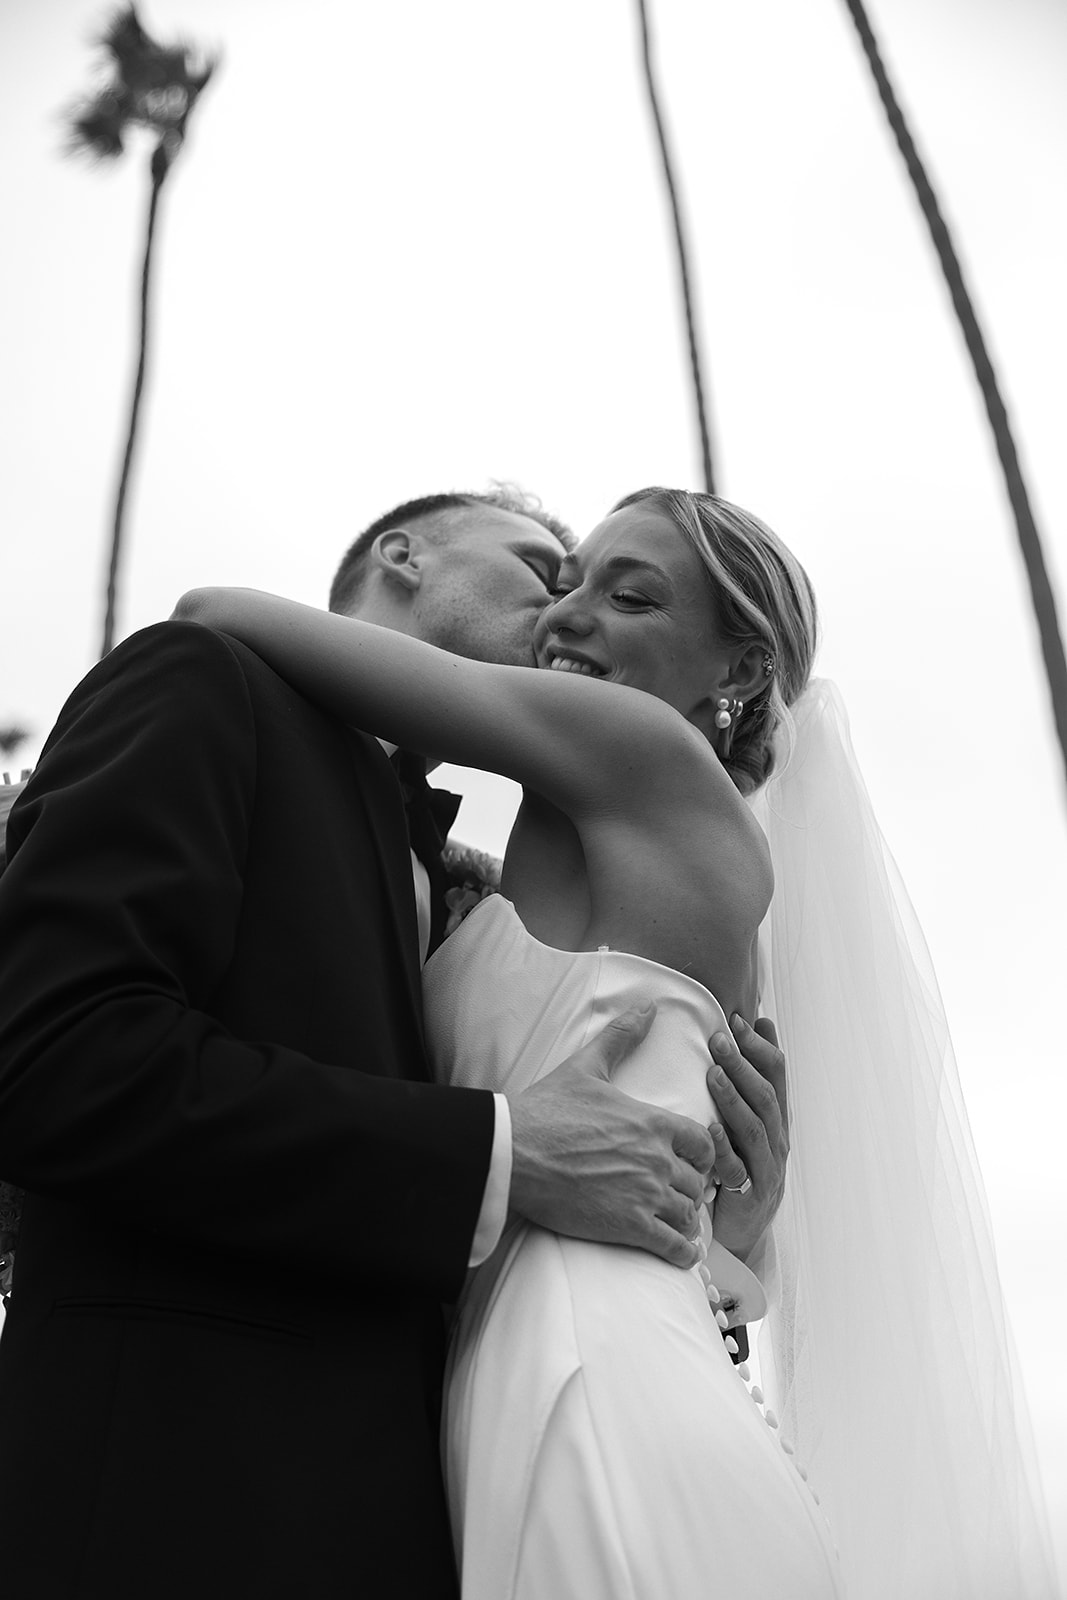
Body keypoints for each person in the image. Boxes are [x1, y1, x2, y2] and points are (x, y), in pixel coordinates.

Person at [178, 485, 1058, 1600]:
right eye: (566, 579)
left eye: (624, 594)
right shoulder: (597, 848)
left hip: (582, 1368)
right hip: (576, 1352)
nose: (568, 614)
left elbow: (216, 608)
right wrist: (732, 1237)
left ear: (736, 672)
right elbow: (681, 1177)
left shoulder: (640, 751)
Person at [0, 485, 788, 1599]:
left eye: (604, 587)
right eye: (541, 569)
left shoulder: (475, 870)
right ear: (405, 555)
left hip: (441, 1484)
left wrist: (717, 1240)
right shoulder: (206, 682)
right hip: (176, 1500)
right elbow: (56, 1055)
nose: (562, 609)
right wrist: (506, 1150)